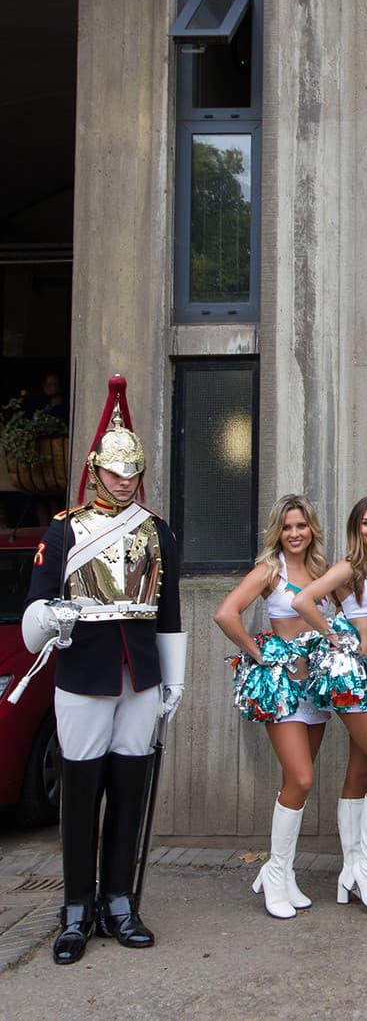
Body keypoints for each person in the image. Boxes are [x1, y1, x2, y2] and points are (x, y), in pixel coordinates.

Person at [22, 376, 185, 965]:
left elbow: (168, 612)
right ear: (96, 471)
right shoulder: (64, 528)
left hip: (138, 676)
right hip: (84, 675)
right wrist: (51, 617)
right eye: (114, 473)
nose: (123, 482)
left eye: (132, 473)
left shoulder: (158, 530)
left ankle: (119, 901)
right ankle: (75, 907)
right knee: (80, 791)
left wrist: (175, 678)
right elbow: (35, 608)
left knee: (130, 790)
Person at [213, 494, 330, 919]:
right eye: (287, 527)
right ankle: (275, 871)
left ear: (311, 529)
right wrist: (260, 654)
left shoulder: (320, 571)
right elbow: (226, 614)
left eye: (301, 526)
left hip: (315, 689)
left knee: (295, 784)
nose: (295, 534)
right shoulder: (269, 571)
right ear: (277, 532)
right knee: (301, 778)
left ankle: (283, 873)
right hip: (282, 689)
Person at [293, 496, 367, 914]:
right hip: (356, 683)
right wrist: (332, 636)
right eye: (366, 523)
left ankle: (350, 871)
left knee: (361, 771)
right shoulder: (349, 568)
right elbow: (302, 601)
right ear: (356, 529)